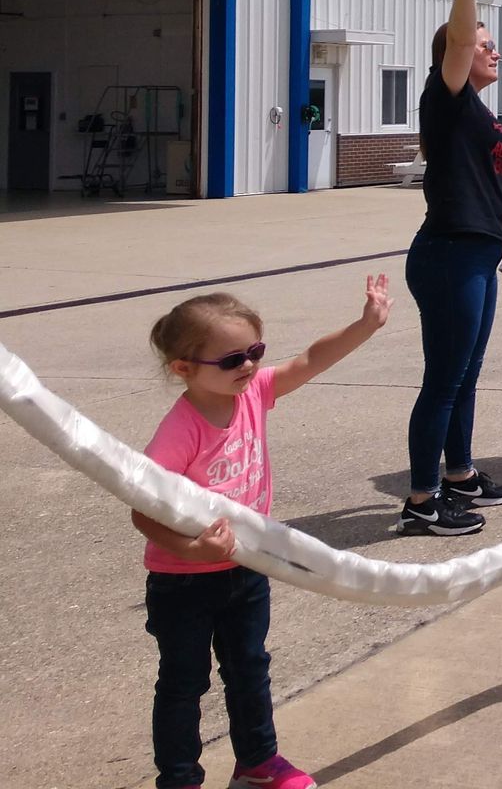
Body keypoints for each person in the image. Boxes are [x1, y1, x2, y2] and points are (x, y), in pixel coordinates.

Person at [135, 276, 392, 789]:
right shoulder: (179, 431)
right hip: (183, 579)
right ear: (182, 368)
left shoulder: (253, 393)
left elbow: (310, 361)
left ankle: (258, 762)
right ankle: (179, 777)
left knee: (250, 669)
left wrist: (365, 325)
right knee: (184, 684)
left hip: (247, 568)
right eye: (232, 359)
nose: (248, 366)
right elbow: (143, 512)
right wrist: (192, 546)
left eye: (254, 351)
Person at [399, 0, 502, 536]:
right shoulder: (444, 97)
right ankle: (421, 501)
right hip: (450, 255)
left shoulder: (477, 109)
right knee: (444, 379)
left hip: (476, 255)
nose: (495, 53)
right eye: (485, 45)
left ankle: (460, 475)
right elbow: (456, 44)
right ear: (458, 51)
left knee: (465, 374)